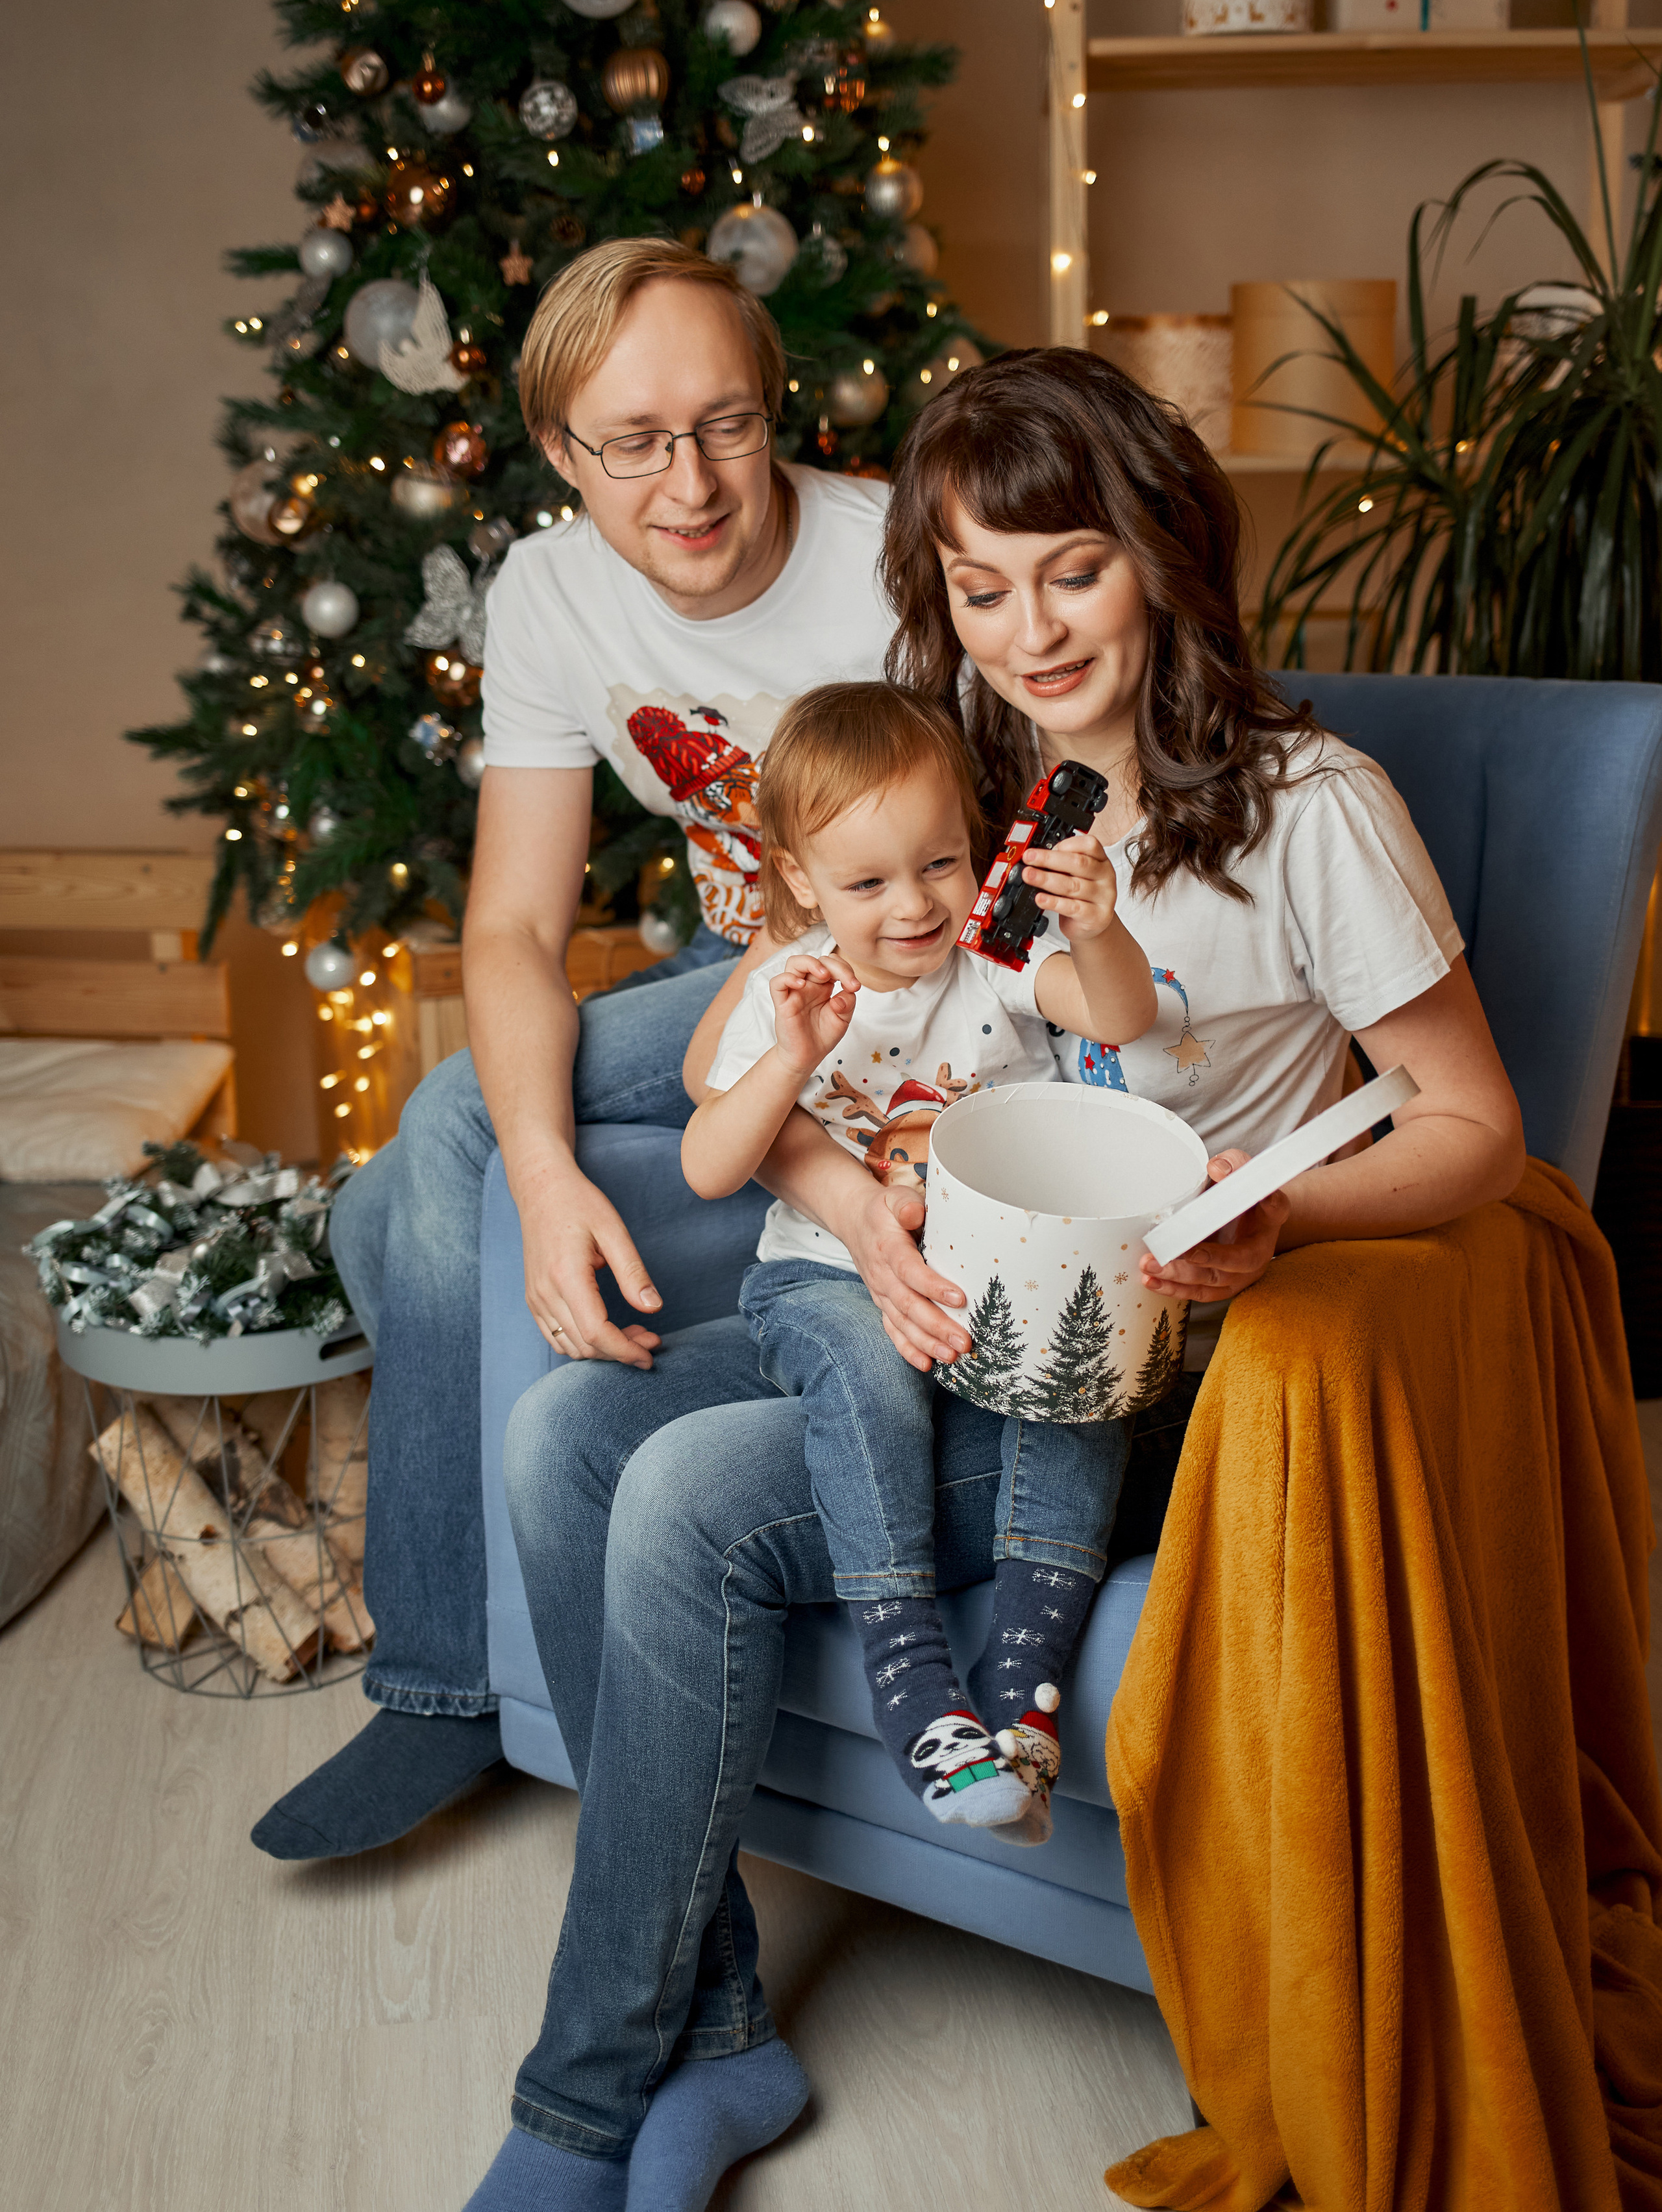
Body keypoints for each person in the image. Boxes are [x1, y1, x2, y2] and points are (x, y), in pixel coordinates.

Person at [464, 349, 1524, 2209]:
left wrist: (1288, 1222)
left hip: (1121, 1358)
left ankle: (574, 2108)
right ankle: (711, 2039)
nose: (1029, 628)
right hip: (911, 1301)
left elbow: (1471, 1124)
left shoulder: (1307, 803)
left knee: (696, 1501)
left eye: (1073, 567)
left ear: (1164, 552)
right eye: (979, 585)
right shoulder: (971, 799)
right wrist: (851, 1205)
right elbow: (831, 1049)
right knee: (563, 1433)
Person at [252, 238, 893, 1861]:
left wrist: (516, 1141)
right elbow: (515, 930)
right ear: (560, 453)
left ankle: (442, 1692)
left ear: (771, 415)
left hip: (896, 962)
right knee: (418, 1177)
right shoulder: (547, 591)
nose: (687, 482)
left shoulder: (891, 561)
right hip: (727, 963)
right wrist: (544, 1173)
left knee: (441, 1133)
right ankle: (470, 1685)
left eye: (725, 426)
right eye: (632, 441)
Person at [685, 678, 1156, 1845]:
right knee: (863, 1371)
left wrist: (1097, 927)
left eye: (940, 865)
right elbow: (708, 1164)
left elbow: (1121, 1019)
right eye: (866, 882)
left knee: (1079, 1381)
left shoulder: (994, 963)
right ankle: (915, 1688)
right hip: (825, 1282)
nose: (913, 906)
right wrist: (789, 1056)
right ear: (796, 878)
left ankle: (1022, 1700)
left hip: (993, 1287)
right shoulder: (785, 989)